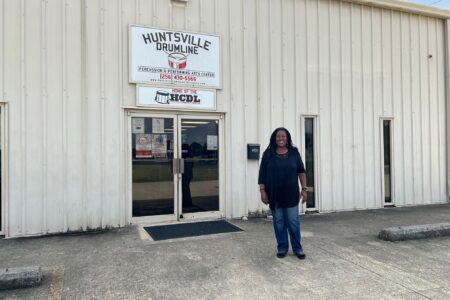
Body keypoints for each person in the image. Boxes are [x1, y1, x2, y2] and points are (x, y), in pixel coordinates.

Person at [258, 127, 307, 259]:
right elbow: (262, 174)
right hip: (274, 194)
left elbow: (301, 171)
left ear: (287, 138)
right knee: (279, 222)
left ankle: (298, 248)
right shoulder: (268, 154)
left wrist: (304, 189)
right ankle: (282, 247)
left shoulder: (294, 153)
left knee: (293, 222)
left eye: (283, 136)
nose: (281, 139)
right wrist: (263, 191)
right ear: (274, 138)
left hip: (291, 194)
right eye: (278, 136)